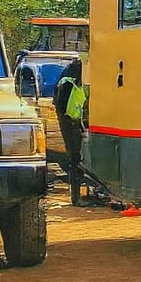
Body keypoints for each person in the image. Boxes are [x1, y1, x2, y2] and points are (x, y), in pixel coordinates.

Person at [52, 57, 88, 206]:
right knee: (75, 160)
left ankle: (76, 196)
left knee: (74, 159)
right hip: (70, 124)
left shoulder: (63, 81)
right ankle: (76, 198)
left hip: (68, 123)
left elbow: (57, 104)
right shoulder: (69, 83)